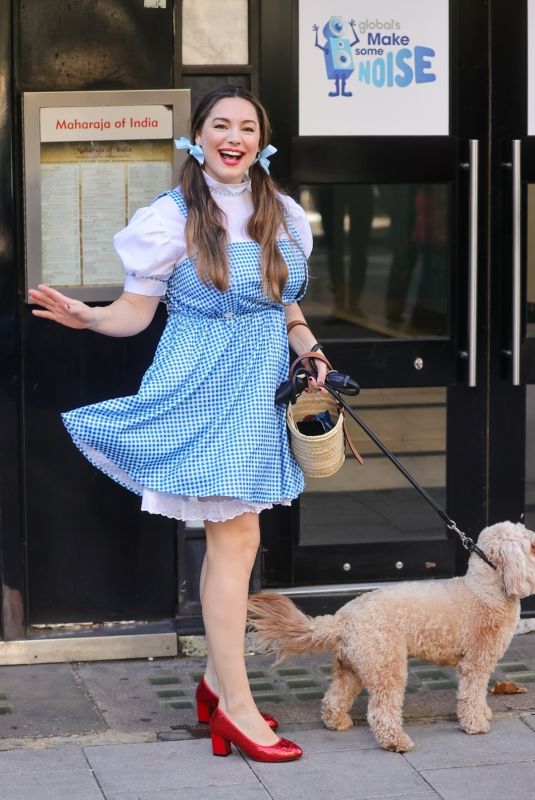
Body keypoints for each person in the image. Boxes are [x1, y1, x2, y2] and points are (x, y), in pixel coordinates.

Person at [29, 84, 326, 763]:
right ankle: (237, 709)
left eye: (247, 126)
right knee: (237, 534)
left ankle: (216, 686)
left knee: (239, 539)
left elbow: (283, 306)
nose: (235, 135)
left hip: (258, 389)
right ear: (200, 137)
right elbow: (136, 311)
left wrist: (307, 346)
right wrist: (92, 317)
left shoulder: (279, 212)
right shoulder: (171, 215)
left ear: (261, 141)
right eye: (221, 124)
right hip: (200, 385)